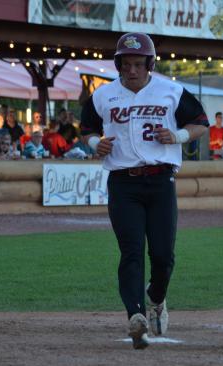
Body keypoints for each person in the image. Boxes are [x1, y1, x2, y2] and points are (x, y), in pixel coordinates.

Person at [80, 32, 209, 349]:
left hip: (161, 179)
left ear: (150, 64)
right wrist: (97, 143)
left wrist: (177, 136)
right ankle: (135, 317)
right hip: (123, 182)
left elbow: (201, 122)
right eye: (127, 63)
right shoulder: (103, 95)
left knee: (163, 256)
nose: (132, 69)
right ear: (119, 64)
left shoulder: (170, 90)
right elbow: (86, 130)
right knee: (132, 251)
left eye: (138, 63)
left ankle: (157, 298)